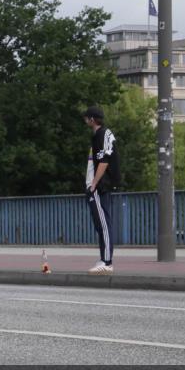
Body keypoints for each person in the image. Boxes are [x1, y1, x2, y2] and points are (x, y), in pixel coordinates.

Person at [83, 106, 121, 276]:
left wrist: (94, 184)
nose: (85, 120)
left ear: (92, 119)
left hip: (99, 185)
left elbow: (104, 161)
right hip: (98, 185)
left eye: (87, 118)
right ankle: (104, 259)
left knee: (104, 224)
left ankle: (107, 262)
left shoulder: (101, 135)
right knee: (101, 224)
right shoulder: (102, 135)